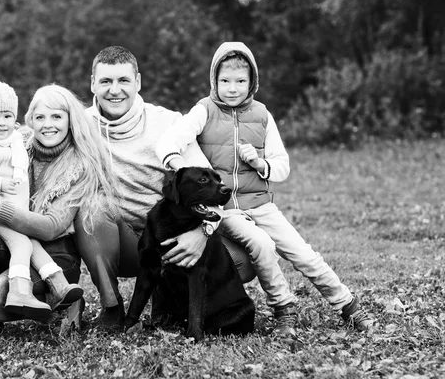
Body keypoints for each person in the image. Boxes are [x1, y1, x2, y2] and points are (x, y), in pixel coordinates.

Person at [155, 41, 375, 334]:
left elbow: (281, 165)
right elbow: (167, 143)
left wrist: (260, 164)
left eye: (240, 81)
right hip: (227, 209)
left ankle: (348, 306)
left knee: (303, 254)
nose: (232, 88)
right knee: (262, 244)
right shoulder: (203, 110)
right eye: (225, 81)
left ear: (252, 82)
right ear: (214, 81)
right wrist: (181, 166)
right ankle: (284, 309)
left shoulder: (262, 114)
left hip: (261, 203)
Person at [78, 45, 256, 330]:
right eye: (106, 81)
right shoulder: (81, 126)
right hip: (120, 241)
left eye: (123, 80)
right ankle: (112, 308)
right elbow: (38, 137)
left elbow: (210, 182)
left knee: (241, 262)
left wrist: (202, 233)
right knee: (92, 211)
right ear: (92, 84)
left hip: (170, 237)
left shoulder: (169, 123)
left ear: (138, 82)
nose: (115, 90)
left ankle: (168, 301)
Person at [0, 83, 117, 337]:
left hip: (56, 254)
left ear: (70, 120)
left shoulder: (79, 166)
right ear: (30, 119)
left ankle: (61, 301)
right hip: (17, 244)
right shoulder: (15, 146)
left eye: (56, 116)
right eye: (40, 117)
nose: (47, 124)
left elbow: (50, 227)